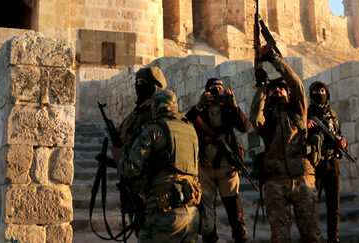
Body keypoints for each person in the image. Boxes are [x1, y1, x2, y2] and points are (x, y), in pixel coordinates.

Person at [250, 45, 322, 243]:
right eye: (274, 89)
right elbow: (255, 119)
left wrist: (275, 60)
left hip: (302, 177)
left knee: (311, 234)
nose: (278, 90)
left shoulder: (298, 111)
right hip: (275, 181)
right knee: (280, 237)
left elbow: (297, 85)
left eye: (282, 88)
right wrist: (262, 88)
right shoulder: (268, 119)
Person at [118, 89, 202, 242]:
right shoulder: (190, 129)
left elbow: (130, 168)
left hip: (164, 213)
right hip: (192, 212)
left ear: (157, 106)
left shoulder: (154, 130)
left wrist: (120, 156)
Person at [185, 77, 251, 243]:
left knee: (235, 212)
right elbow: (186, 123)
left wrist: (234, 106)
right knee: (207, 213)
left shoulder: (228, 109)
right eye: (212, 88)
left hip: (227, 168)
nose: (216, 91)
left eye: (219, 88)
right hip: (205, 167)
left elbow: (244, 127)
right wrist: (199, 105)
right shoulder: (200, 110)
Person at [114, 65, 169, 227]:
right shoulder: (134, 115)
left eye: (143, 82)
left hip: (152, 187)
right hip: (133, 185)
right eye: (137, 82)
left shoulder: (158, 114)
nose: (139, 86)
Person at [308, 81, 348, 243]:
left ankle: (333, 238)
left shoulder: (333, 114)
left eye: (322, 90)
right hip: (314, 164)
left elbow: (338, 133)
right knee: (312, 205)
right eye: (316, 90)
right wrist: (306, 128)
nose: (319, 93)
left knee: (334, 207)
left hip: (332, 163)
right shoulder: (307, 113)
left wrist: (342, 142)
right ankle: (313, 237)